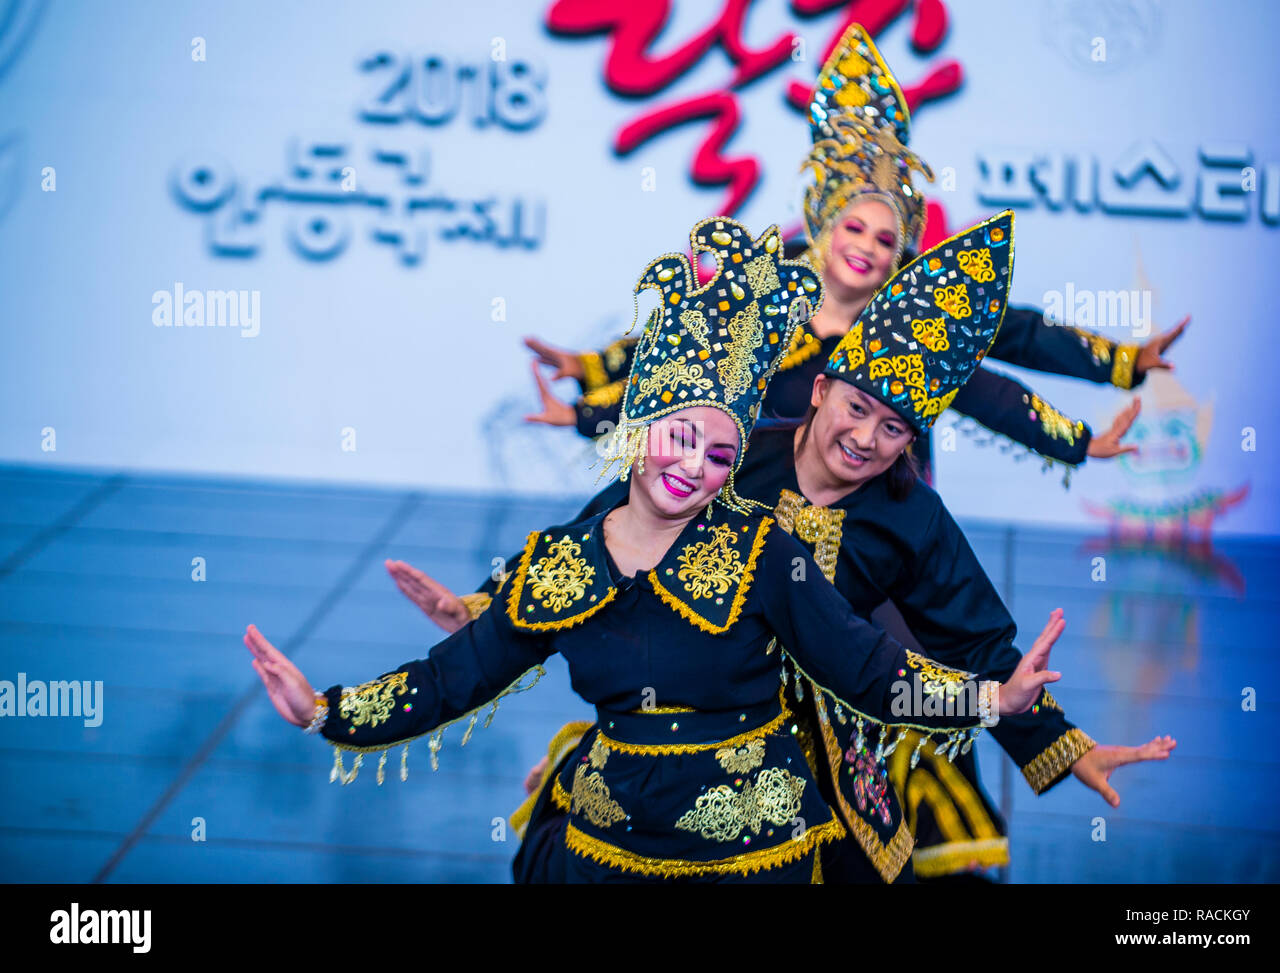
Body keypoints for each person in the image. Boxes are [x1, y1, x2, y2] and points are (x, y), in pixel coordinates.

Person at [246, 215, 1065, 883]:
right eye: (679, 438)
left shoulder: (764, 552)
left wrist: (992, 702)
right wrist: (325, 710)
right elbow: (449, 678)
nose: (694, 467)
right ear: (636, 434)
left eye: (719, 454)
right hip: (609, 851)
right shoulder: (563, 564)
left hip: (754, 859)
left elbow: (869, 670)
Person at [521, 24, 1189, 485]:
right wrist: (587, 376)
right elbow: (684, 353)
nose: (868, 247)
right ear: (825, 222)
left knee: (902, 670)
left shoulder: (918, 305)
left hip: (878, 514)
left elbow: (1007, 362)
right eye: (854, 228)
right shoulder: (766, 279)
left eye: (885, 236)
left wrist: (1118, 372)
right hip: (758, 510)